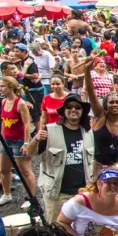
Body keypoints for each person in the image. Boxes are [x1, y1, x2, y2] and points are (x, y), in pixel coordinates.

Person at [27, 93, 95, 223]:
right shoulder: (49, 130)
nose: (73, 110)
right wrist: (36, 139)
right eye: (69, 107)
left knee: (83, 231)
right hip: (57, 194)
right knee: (57, 231)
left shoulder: (88, 132)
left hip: (83, 193)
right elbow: (30, 153)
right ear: (63, 111)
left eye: (77, 107)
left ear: (82, 111)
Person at [83, 56, 118, 167]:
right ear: (105, 105)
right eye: (111, 102)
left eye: (117, 102)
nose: (114, 104)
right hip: (99, 165)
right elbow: (91, 91)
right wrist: (87, 70)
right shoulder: (100, 116)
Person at [0, 75, 36, 208]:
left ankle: (31, 197)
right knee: (4, 169)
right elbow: (3, 121)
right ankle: (7, 194)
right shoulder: (3, 102)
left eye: (2, 86)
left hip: (18, 141)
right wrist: (1, 138)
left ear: (11, 87)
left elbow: (27, 124)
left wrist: (26, 143)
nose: (0, 88)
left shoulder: (20, 103)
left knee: (25, 170)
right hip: (6, 139)